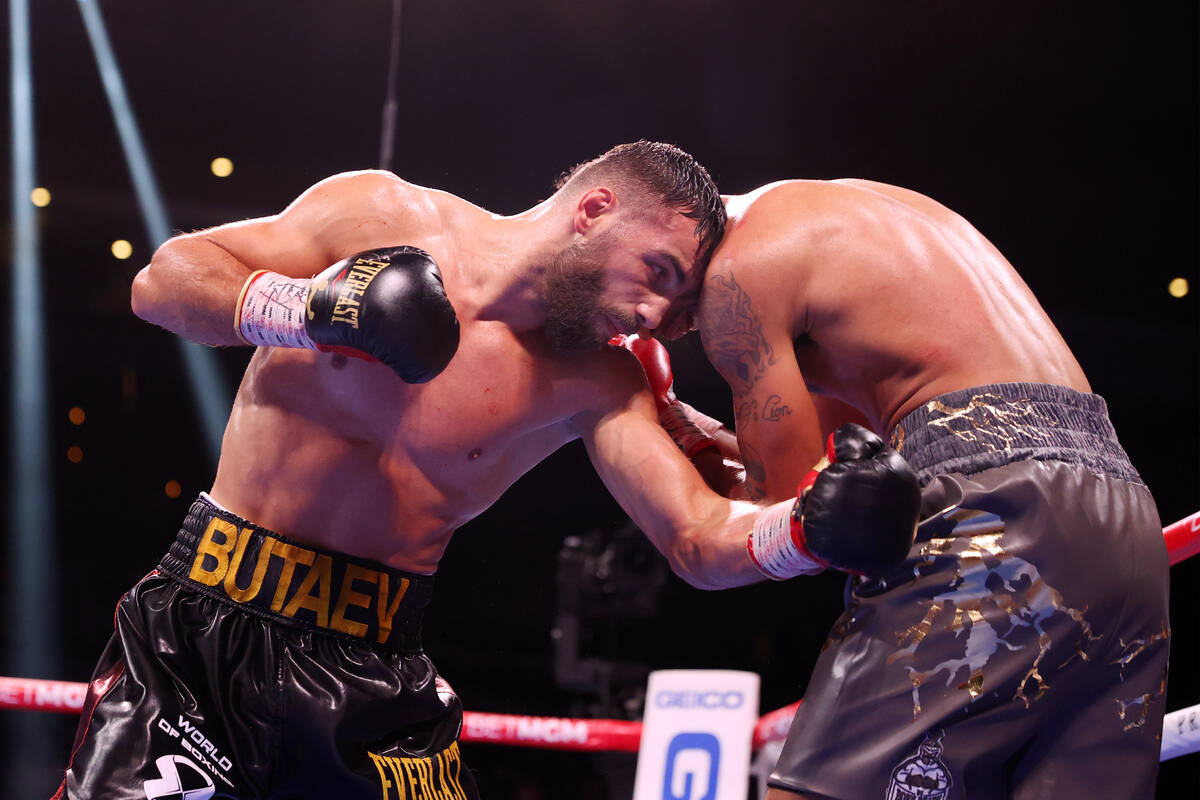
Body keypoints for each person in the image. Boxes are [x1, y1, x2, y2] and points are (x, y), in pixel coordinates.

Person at [57, 142, 921, 800]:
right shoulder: (379, 215)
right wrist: (310, 309)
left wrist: (803, 532)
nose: (658, 313)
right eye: (657, 272)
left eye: (680, 307)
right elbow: (163, 281)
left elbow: (695, 535)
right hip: (203, 633)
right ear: (594, 208)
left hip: (374, 675)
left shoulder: (600, 378)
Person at [678, 178, 1169, 798]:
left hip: (990, 507)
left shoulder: (736, 274)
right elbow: (828, 481)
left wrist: (666, 419)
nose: (649, 318)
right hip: (1123, 512)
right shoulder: (865, 224)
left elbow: (792, 516)